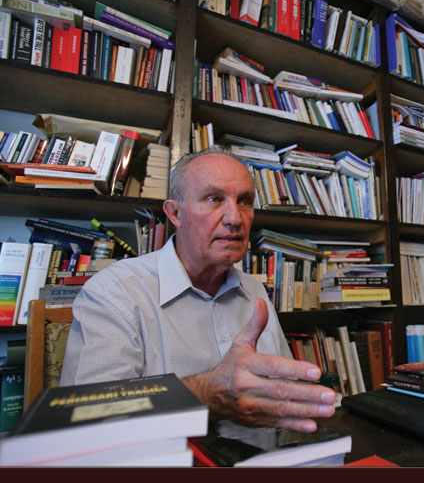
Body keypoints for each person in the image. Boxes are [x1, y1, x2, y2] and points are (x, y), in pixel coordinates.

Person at [59, 147, 336, 433]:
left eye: (244, 201)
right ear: (175, 213)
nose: (235, 218)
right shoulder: (114, 292)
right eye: (214, 199)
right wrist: (206, 393)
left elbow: (282, 395)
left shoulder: (255, 290)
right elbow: (89, 418)